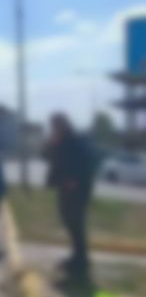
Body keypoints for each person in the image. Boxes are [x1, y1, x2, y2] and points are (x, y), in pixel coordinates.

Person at [43, 113, 97, 277]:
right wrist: (52, 144)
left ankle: (81, 260)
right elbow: (46, 157)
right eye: (53, 126)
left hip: (77, 190)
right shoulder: (59, 141)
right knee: (67, 220)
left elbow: (85, 163)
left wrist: (75, 180)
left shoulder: (76, 141)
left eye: (56, 126)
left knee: (76, 223)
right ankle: (77, 256)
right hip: (64, 187)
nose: (53, 129)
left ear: (64, 125)